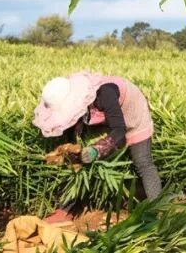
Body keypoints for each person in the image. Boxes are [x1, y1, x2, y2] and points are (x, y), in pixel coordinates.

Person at [32, 71, 161, 224]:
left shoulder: (105, 93)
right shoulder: (79, 104)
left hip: (132, 115)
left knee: (142, 162)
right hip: (107, 118)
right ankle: (66, 210)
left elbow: (119, 132)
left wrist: (96, 150)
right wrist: (69, 151)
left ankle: (158, 210)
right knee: (79, 163)